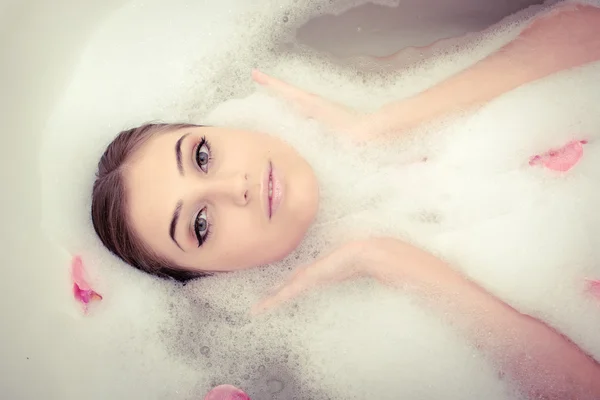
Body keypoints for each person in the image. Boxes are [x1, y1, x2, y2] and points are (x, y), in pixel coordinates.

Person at [91, 2, 600, 398]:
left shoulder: (365, 84)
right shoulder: (350, 353)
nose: (235, 187)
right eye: (200, 225)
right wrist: (386, 260)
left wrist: (379, 123)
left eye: (202, 156)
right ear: (215, 280)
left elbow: (587, 28)